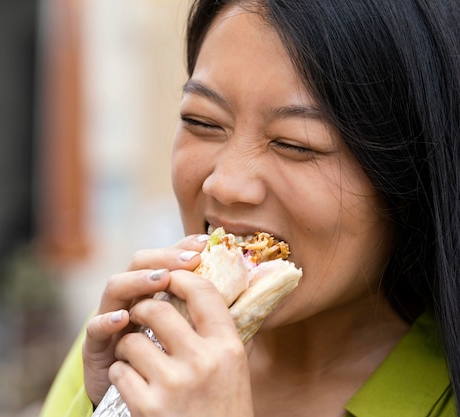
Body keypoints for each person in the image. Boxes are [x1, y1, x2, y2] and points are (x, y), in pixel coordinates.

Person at [41, 0, 460, 415]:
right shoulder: (129, 345)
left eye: (295, 144)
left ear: (411, 174)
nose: (224, 184)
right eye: (202, 121)